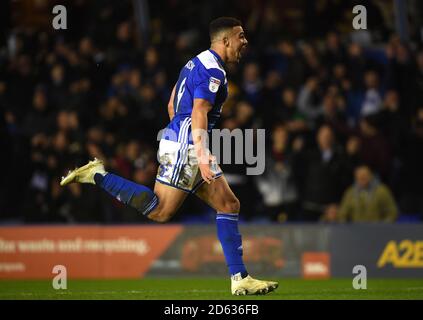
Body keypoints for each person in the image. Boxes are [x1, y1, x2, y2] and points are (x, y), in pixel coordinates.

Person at [60, 17, 278, 295]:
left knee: (228, 204)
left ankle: (240, 278)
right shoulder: (215, 71)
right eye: (241, 36)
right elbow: (199, 110)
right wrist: (196, 152)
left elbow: (172, 102)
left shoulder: (195, 62)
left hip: (183, 139)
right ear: (225, 40)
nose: (245, 42)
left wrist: (179, 136)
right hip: (188, 145)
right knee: (161, 211)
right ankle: (98, 175)